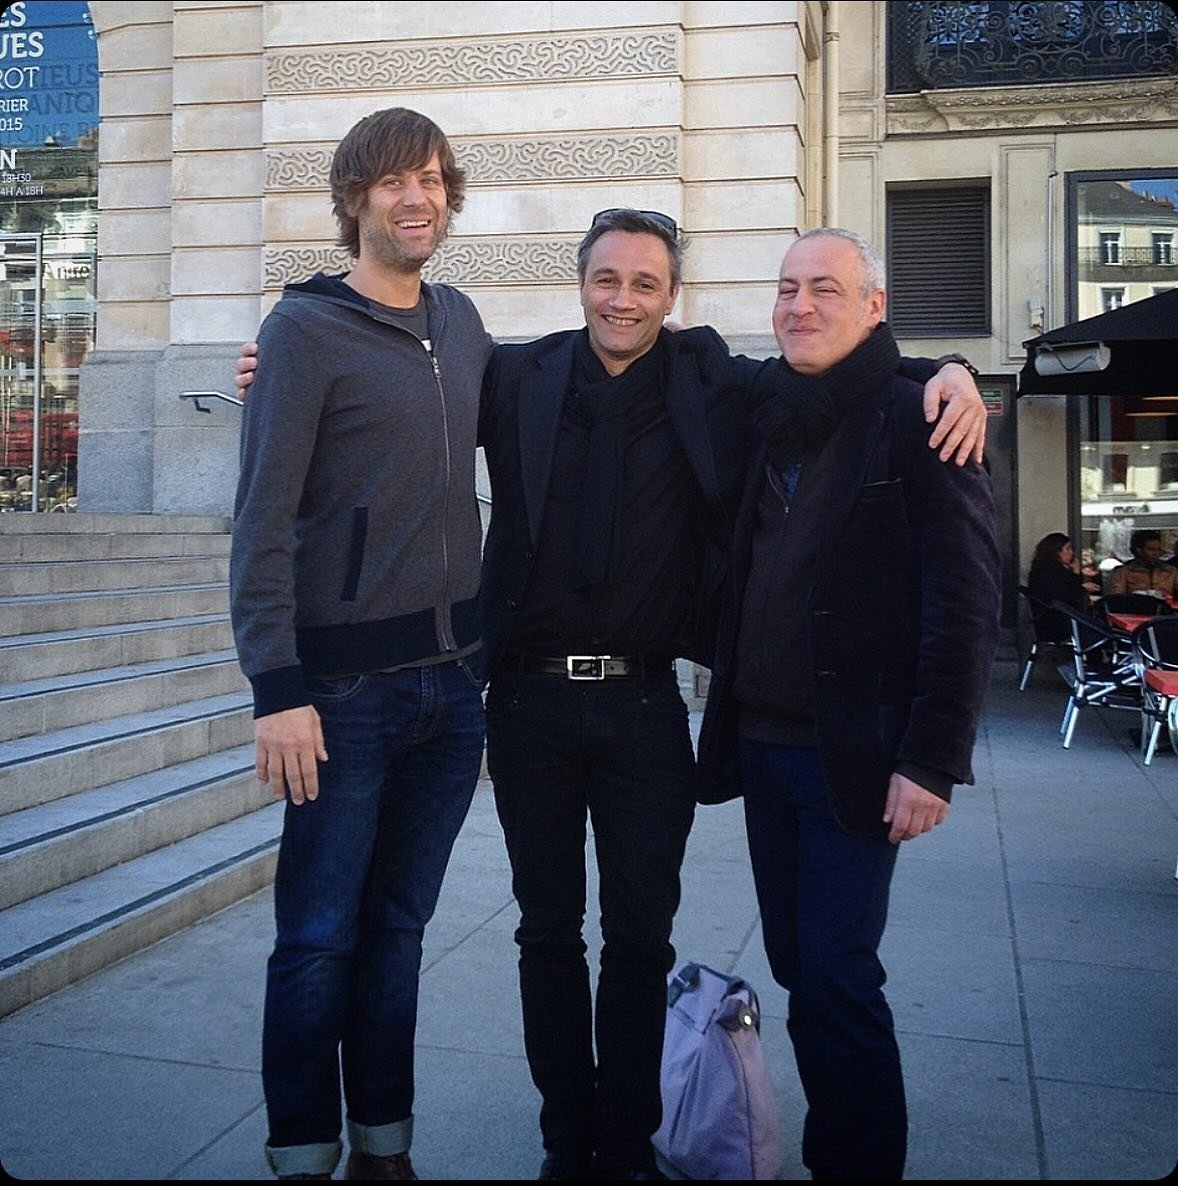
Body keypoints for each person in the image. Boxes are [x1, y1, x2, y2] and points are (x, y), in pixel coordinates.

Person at [236, 210, 987, 1179]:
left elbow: (844, 364)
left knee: (641, 939)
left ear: (669, 296)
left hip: (643, 712)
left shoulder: (710, 377)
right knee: (545, 933)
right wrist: (275, 366)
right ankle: (565, 1138)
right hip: (528, 707)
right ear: (580, 283)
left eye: (643, 283)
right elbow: (391, 383)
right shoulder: (516, 375)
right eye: (605, 280)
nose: (621, 299)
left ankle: (626, 1141)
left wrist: (949, 372)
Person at [697, 228, 1001, 1181]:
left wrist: (932, 758)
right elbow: (659, 347)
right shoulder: (765, 407)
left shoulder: (921, 416)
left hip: (861, 760)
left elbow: (968, 601)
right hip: (764, 746)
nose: (799, 305)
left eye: (826, 289)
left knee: (836, 975)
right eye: (787, 288)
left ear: (874, 306)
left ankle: (859, 1164)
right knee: (799, 967)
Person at [229, 107, 493, 1182]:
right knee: (318, 938)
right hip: (338, 693)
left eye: (430, 177)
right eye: (391, 180)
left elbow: (591, 384)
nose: (414, 196)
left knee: (397, 934)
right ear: (354, 198)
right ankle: (301, 1150)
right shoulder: (300, 331)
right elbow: (261, 519)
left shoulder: (463, 322)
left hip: (451, 691)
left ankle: (384, 1146)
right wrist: (275, 685)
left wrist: (917, 369)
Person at [1027, 531, 1098, 612]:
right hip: (1058, 615)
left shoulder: (1045, 568)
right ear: (1056, 551)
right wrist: (1080, 583)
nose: (1071, 552)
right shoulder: (1049, 571)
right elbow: (1067, 596)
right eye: (1067, 549)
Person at [1106, 528, 1178, 598]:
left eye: (1158, 549)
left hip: (1166, 608)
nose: (1156, 553)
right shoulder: (1123, 572)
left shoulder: (1171, 572)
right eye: (1151, 549)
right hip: (1134, 608)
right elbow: (1115, 599)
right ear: (1139, 551)